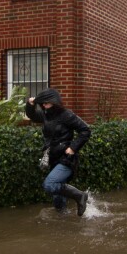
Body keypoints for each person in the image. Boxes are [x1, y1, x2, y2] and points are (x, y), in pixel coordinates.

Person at [25, 88, 91, 216]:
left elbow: (85, 131)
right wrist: (30, 104)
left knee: (49, 184)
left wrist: (72, 148)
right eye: (42, 103)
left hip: (66, 159)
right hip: (53, 159)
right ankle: (63, 223)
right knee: (58, 201)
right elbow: (32, 115)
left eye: (46, 102)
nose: (44, 105)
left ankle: (80, 196)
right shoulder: (45, 115)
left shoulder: (66, 115)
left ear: (54, 102)